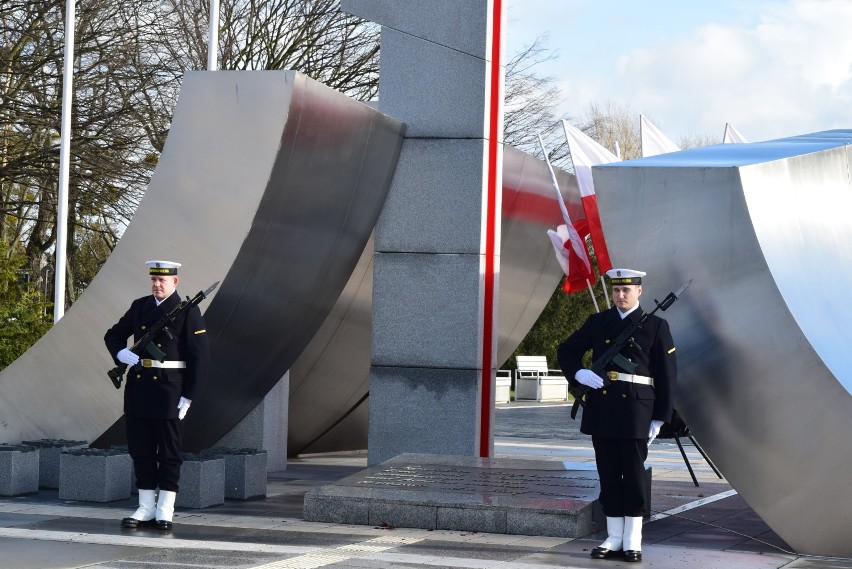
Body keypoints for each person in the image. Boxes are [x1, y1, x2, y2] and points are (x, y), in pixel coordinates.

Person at [557, 268, 676, 563]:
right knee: (608, 474)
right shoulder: (599, 322)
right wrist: (579, 373)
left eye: (627, 290)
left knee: (634, 476)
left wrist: (659, 417)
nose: (621, 295)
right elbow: (567, 350)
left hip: (637, 411)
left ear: (640, 291)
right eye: (616, 290)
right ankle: (613, 537)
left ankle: (633, 539)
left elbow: (668, 376)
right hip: (604, 409)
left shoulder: (656, 326)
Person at [104, 260, 210, 531]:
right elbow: (113, 334)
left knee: (169, 452)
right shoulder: (140, 306)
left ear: (175, 282)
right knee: (140, 450)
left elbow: (199, 356)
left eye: (162, 280)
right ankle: (145, 507)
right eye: (154, 279)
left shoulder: (187, 311)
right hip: (139, 387)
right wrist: (120, 353)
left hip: (169, 390)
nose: (157, 284)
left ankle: (165, 509)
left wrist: (189, 395)